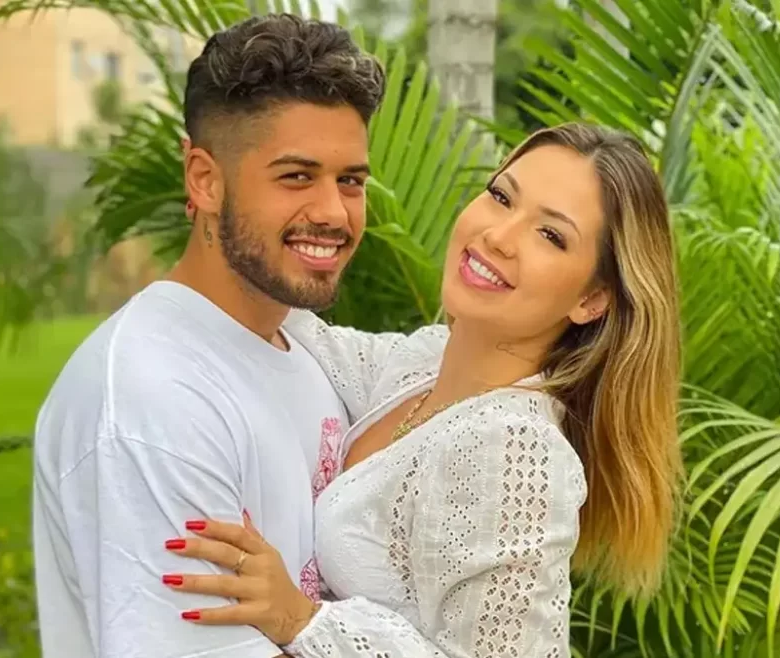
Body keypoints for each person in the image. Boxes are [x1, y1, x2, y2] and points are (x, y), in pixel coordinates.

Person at [162, 122, 684, 656]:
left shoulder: (515, 446)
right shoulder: (426, 363)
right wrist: (225, 206)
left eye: (550, 235)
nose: (498, 236)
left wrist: (301, 619)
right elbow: (301, 329)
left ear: (591, 300)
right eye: (502, 197)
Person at [30, 14, 385, 658]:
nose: (333, 212)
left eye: (351, 181)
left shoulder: (307, 349)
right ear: (204, 179)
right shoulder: (153, 401)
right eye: (296, 176)